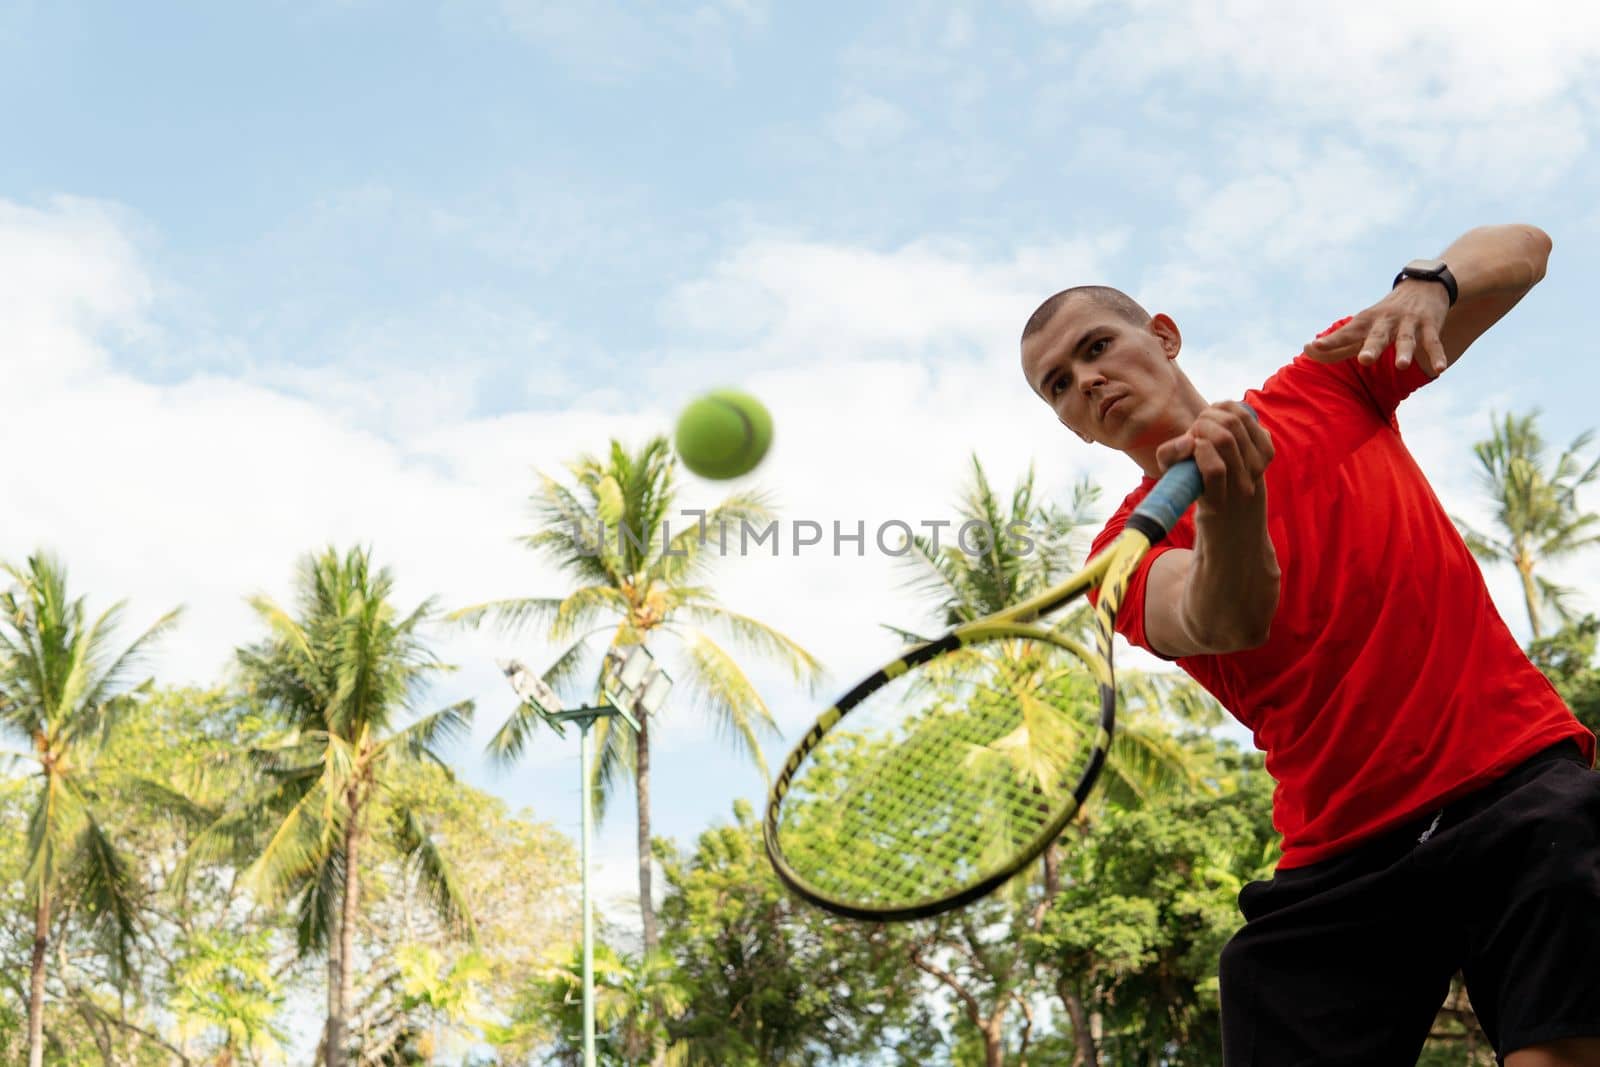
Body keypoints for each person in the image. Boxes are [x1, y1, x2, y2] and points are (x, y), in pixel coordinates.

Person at [1019, 224, 1600, 1067]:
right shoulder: (1124, 557)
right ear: (1072, 426)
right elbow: (1230, 617)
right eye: (1059, 385)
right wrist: (1229, 503)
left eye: (1097, 346)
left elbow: (1526, 250)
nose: (1087, 381)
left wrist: (1427, 286)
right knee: (1256, 979)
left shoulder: (1325, 383)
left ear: (1165, 336)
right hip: (1343, 856)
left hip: (1513, 786)